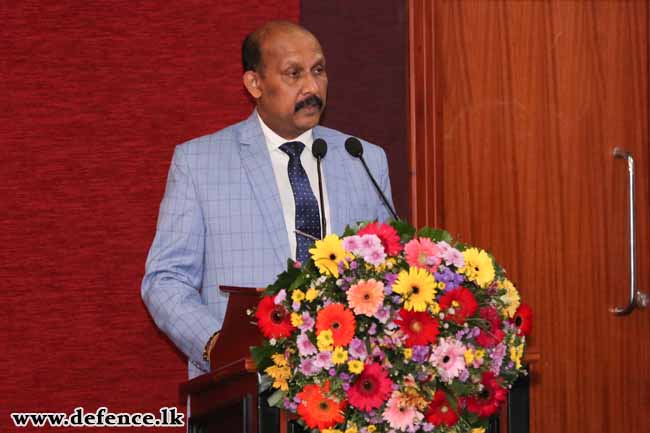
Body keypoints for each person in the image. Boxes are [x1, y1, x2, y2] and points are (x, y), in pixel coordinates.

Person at [141, 20, 395, 380]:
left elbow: (388, 274)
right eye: (294, 74)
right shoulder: (200, 162)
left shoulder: (362, 158)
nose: (312, 87)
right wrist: (217, 345)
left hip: (348, 385)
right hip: (244, 387)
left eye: (318, 70)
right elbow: (165, 279)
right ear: (254, 83)